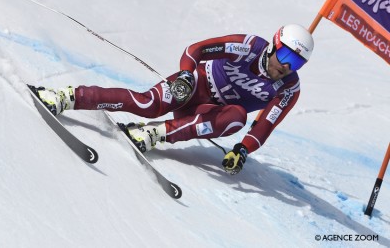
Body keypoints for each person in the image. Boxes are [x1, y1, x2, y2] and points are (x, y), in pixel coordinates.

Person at [31, 24, 314, 175]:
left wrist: (242, 151)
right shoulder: (249, 46)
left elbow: (266, 125)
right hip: (193, 86)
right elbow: (195, 50)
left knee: (237, 117)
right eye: (286, 56)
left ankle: (155, 135)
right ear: (275, 45)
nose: (286, 67)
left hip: (207, 112)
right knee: (148, 104)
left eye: (297, 63)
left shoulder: (288, 88)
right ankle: (66, 97)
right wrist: (186, 75)